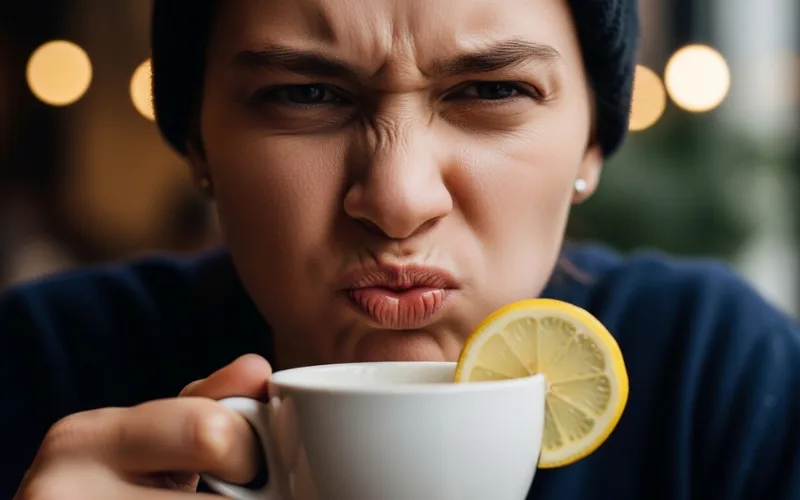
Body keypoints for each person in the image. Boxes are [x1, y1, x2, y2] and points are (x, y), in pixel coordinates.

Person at [3, 0, 799, 498]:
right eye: (304, 94)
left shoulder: (716, 380)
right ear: (198, 144)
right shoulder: (40, 368)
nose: (398, 199)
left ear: (593, 142)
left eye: (492, 91)